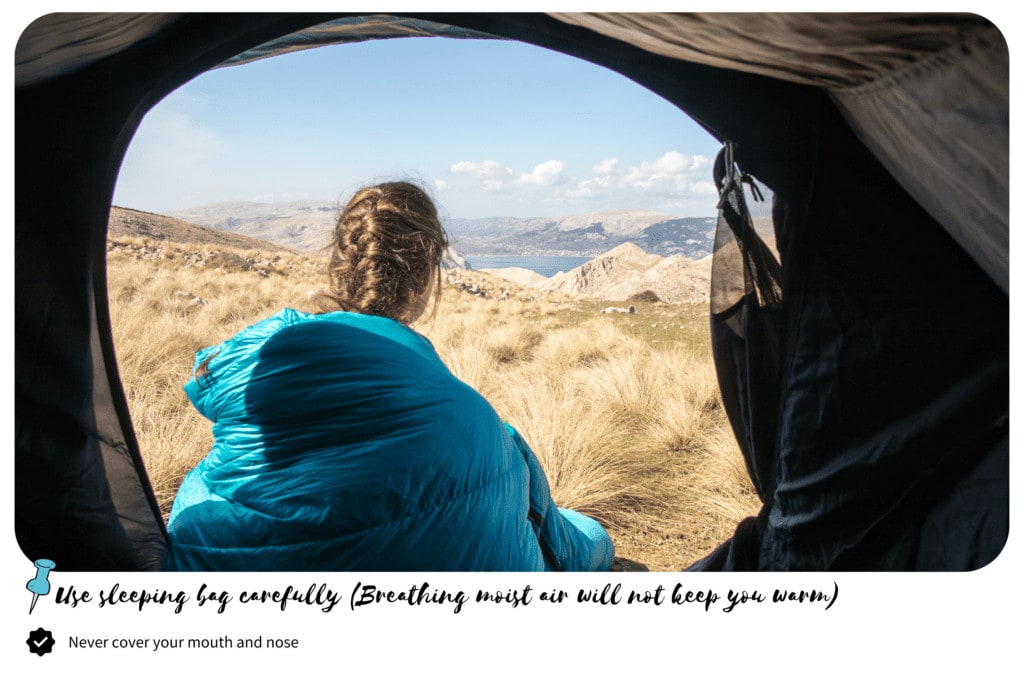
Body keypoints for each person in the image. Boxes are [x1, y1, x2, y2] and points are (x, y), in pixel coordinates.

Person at [163, 181, 615, 571]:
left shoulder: (249, 364)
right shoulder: (474, 422)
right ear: (425, 276)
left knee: (205, 479)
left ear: (341, 263)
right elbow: (543, 548)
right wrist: (597, 542)